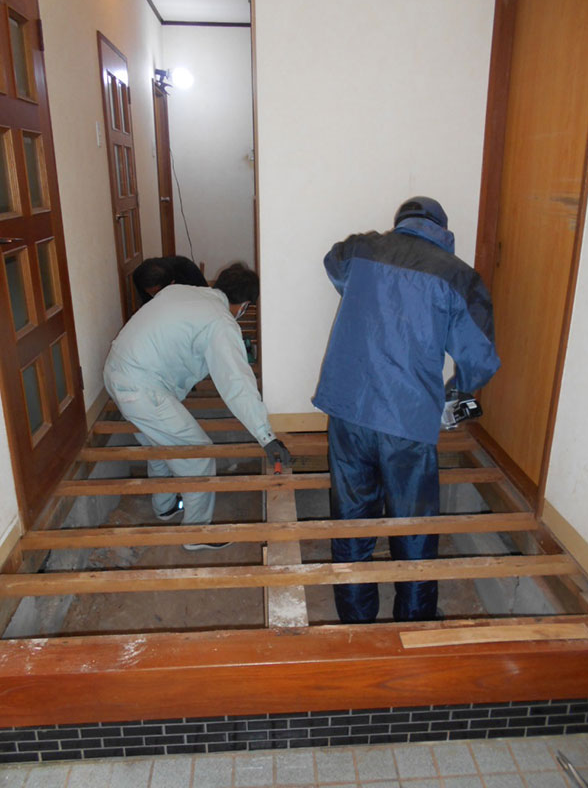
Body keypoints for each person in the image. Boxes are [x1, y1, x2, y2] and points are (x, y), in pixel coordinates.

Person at [312, 197, 500, 623]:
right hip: (407, 420)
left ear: (401, 223)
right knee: (413, 528)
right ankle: (414, 625)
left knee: (351, 522)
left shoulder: (362, 249)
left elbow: (333, 263)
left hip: (347, 410)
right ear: (442, 230)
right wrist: (459, 391)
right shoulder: (458, 276)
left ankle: (356, 622)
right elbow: (481, 359)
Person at [104, 262, 290, 551]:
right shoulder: (220, 322)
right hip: (142, 388)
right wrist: (266, 436)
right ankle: (196, 533)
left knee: (160, 445)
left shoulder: (181, 291)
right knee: (198, 454)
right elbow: (236, 382)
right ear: (244, 305)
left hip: (117, 372)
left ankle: (165, 507)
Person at [133, 255, 208, 304]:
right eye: (151, 293)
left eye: (156, 292)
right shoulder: (138, 276)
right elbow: (147, 303)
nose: (154, 296)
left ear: (171, 283)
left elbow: (206, 296)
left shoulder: (188, 270)